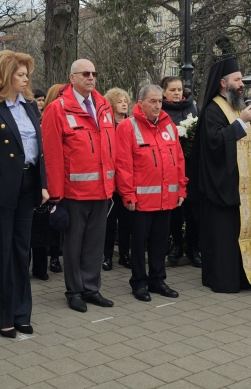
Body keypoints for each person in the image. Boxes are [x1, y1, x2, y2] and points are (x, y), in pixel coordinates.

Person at [0, 51, 48, 337]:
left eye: (27, 74)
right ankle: (2, 316)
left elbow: (39, 149)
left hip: (27, 184)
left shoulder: (29, 106)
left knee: (21, 251)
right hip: (0, 190)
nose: (26, 78)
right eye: (20, 73)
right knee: (2, 253)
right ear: (4, 75)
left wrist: (42, 183)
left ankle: (21, 312)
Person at [41, 59, 116, 313]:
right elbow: (51, 156)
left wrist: (112, 185)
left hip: (102, 190)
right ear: (72, 78)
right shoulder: (58, 108)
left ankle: (91, 288)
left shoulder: (104, 105)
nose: (91, 77)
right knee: (73, 245)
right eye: (86, 73)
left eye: (94, 73)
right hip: (73, 192)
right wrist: (56, 196)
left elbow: (110, 148)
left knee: (95, 243)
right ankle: (74, 291)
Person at [192, 58, 251, 292]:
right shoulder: (214, 109)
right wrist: (240, 123)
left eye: (241, 79)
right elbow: (214, 143)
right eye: (237, 79)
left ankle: (248, 276)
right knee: (226, 234)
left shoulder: (235, 107)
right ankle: (226, 279)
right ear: (223, 83)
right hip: (222, 184)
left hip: (242, 184)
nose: (242, 83)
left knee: (244, 230)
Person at [114, 84, 185, 302]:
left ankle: (157, 279)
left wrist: (181, 187)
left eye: (159, 101)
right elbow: (123, 164)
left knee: (160, 242)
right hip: (141, 200)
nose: (157, 106)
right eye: (152, 101)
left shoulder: (169, 126)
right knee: (139, 244)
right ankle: (139, 282)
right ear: (140, 103)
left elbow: (179, 160)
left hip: (166, 198)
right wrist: (128, 195)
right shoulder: (127, 127)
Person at [161, 75, 201, 268]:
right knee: (174, 209)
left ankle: (193, 248)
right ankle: (176, 245)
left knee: (193, 210)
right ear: (164, 92)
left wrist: (194, 134)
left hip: (191, 165)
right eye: (172, 90)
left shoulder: (192, 107)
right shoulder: (160, 110)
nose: (177, 93)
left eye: (179, 90)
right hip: (171, 167)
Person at [31, 83, 65, 278]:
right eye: (38, 100)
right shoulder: (35, 119)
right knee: (34, 225)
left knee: (47, 225)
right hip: (33, 175)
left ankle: (44, 265)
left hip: (48, 176)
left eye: (43, 100)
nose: (41, 103)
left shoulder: (49, 118)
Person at [102, 87, 132, 271]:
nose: (124, 104)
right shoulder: (106, 124)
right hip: (111, 181)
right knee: (109, 222)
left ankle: (124, 255)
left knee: (126, 222)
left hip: (127, 180)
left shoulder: (131, 123)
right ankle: (106, 257)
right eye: (120, 101)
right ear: (112, 104)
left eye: (126, 101)